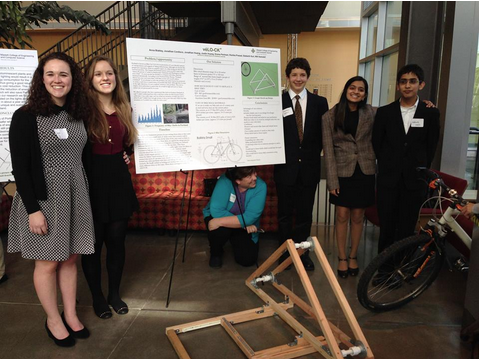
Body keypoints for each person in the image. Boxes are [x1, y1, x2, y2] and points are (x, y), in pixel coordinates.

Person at [7, 52, 94, 347]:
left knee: (70, 258)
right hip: (44, 200)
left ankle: (70, 314)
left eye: (64, 74)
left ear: (73, 80)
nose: (57, 80)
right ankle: (52, 319)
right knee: (47, 264)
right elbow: (20, 167)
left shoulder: (77, 113)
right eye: (51, 74)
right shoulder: (26, 116)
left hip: (75, 196)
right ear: (41, 78)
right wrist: (33, 210)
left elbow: (83, 155)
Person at [81, 55, 139, 319]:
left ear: (116, 77)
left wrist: (127, 154)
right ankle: (98, 297)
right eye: (98, 74)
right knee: (92, 244)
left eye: (109, 73)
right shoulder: (82, 110)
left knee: (117, 242)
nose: (105, 78)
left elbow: (127, 144)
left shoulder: (124, 108)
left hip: (118, 180)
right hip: (91, 181)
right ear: (90, 81)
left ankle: (114, 294)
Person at [372, 64, 440, 253]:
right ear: (397, 86)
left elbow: (431, 146)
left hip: (415, 180)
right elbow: (377, 143)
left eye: (412, 81)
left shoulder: (430, 112)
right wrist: (389, 164)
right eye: (403, 82)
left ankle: (401, 267)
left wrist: (420, 168)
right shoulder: (385, 113)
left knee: (407, 226)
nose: (407, 86)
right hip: (389, 179)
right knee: (386, 226)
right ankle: (383, 269)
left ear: (421, 84)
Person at [274, 58, 329, 271]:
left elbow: (325, 134)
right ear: (288, 77)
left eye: (302, 75)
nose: (298, 79)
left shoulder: (320, 102)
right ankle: (284, 254)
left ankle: (302, 253)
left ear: (307, 76)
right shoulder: (276, 102)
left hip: (309, 169)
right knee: (285, 214)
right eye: (294, 75)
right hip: (284, 169)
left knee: (305, 214)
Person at [322, 76, 376, 278]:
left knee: (358, 216)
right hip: (342, 172)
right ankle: (342, 258)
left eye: (361, 89)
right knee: (342, 215)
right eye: (352, 88)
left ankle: (354, 256)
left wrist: (423, 103)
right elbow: (328, 150)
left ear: (365, 93)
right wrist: (332, 181)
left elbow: (396, 112)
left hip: (365, 171)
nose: (356, 92)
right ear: (346, 90)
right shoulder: (330, 116)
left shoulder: (371, 112)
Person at [203, 166, 266, 268]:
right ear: (238, 181)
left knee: (247, 260)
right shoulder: (224, 181)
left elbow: (250, 217)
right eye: (249, 176)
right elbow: (217, 211)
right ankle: (216, 252)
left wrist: (243, 224)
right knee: (218, 229)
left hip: (242, 223)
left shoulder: (261, 186)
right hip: (225, 220)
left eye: (254, 173)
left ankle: (235, 238)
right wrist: (244, 224)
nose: (255, 177)